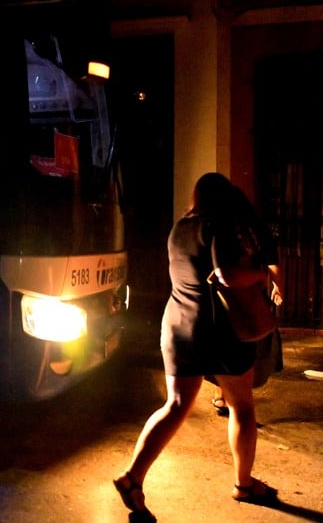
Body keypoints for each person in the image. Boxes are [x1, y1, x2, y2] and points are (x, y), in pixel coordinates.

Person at [113, 172, 279, 521]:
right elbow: (227, 276)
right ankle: (244, 485)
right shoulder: (220, 226)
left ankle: (133, 477)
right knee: (242, 408)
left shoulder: (178, 229)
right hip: (219, 329)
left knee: (174, 405)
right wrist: (264, 275)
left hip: (177, 325)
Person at [211, 193, 284, 416]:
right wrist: (276, 285)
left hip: (231, 295)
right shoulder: (255, 230)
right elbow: (272, 260)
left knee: (228, 344)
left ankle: (224, 395)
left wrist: (275, 284)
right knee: (245, 342)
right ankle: (233, 395)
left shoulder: (222, 230)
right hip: (251, 293)